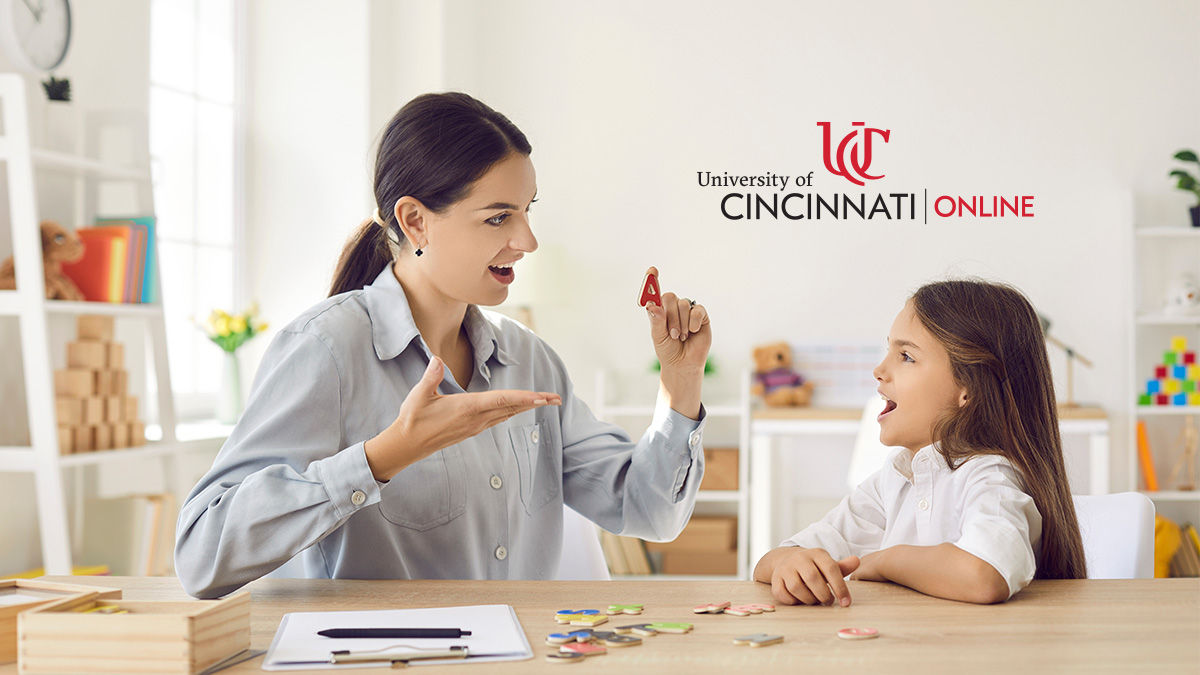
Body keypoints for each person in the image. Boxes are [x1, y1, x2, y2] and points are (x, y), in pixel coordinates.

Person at [174, 92, 712, 599]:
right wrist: (385, 456)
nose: (527, 241)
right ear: (415, 221)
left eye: (528, 210)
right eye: (499, 216)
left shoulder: (530, 361)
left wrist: (680, 382)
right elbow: (201, 555)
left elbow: (650, 512)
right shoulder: (326, 350)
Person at [754, 280, 1086, 606]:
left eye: (906, 356)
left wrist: (886, 560)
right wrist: (791, 563)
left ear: (967, 388)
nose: (879, 370)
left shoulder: (991, 476)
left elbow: (984, 576)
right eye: (889, 351)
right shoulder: (895, 480)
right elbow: (771, 561)